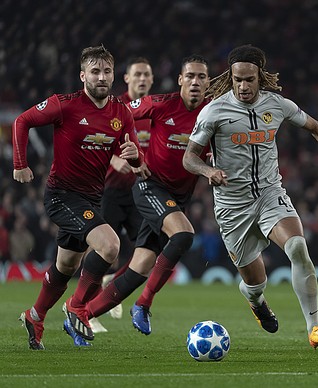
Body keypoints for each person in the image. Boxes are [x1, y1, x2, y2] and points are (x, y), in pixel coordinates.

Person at [182, 44, 318, 348]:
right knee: (255, 282)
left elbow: (316, 127)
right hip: (232, 206)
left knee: (298, 247)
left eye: (249, 79)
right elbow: (189, 157)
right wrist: (208, 171)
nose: (243, 86)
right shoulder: (214, 111)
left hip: (269, 193)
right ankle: (256, 300)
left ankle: (314, 328)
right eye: (238, 80)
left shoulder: (277, 105)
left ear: (260, 77)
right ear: (231, 77)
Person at [13, 45, 143, 350]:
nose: (101, 77)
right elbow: (22, 121)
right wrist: (20, 163)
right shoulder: (65, 104)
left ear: (113, 75)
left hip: (91, 200)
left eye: (106, 71)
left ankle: (35, 315)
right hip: (61, 195)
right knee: (110, 245)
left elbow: (133, 157)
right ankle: (77, 308)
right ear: (82, 75)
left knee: (66, 267)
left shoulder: (121, 112)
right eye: (95, 71)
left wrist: (135, 156)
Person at [75, 54, 211, 339]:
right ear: (180, 80)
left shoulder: (213, 112)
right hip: (146, 188)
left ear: (208, 82)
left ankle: (80, 314)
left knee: (140, 267)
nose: (195, 82)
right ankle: (142, 304)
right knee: (183, 235)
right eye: (190, 76)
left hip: (176, 198)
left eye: (201, 77)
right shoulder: (160, 104)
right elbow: (111, 115)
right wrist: (110, 155)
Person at [88, 57, 154, 333]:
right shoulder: (116, 107)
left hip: (142, 191)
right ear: (126, 78)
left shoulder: (156, 111)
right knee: (102, 250)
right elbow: (92, 135)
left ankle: (112, 283)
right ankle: (88, 312)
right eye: (136, 74)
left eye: (146, 75)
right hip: (112, 191)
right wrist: (112, 158)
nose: (141, 79)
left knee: (152, 249)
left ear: (151, 80)